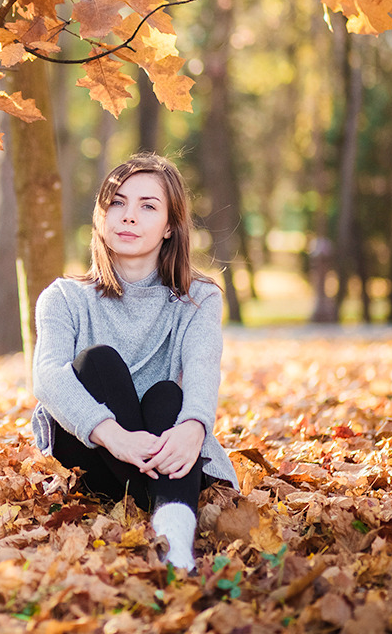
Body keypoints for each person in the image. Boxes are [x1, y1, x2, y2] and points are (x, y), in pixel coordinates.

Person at [31, 152, 238, 572]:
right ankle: (172, 493)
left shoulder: (199, 298)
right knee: (98, 363)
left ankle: (174, 537)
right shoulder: (64, 297)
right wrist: (113, 434)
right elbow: (48, 377)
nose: (129, 216)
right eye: (118, 203)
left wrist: (194, 427)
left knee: (167, 395)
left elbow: (202, 367)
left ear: (169, 227)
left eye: (147, 206)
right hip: (89, 451)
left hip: (163, 448)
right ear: (101, 218)